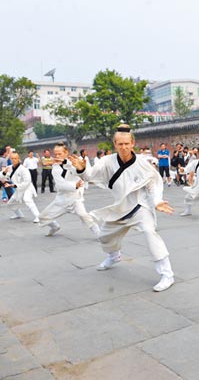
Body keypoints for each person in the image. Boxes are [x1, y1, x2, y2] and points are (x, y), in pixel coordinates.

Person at [69, 125, 176, 292]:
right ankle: (114, 255)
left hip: (140, 207)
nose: (124, 147)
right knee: (104, 237)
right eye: (120, 144)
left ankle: (167, 274)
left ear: (133, 143)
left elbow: (153, 184)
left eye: (127, 143)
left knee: (149, 232)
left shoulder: (143, 163)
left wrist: (157, 201)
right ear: (115, 144)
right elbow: (89, 176)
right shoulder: (106, 161)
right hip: (119, 209)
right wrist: (81, 169)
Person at [38, 143, 100, 237]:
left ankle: (99, 233)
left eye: (60, 154)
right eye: (56, 154)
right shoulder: (55, 167)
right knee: (42, 217)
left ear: (66, 153)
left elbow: (80, 173)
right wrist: (74, 185)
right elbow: (60, 185)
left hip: (75, 198)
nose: (57, 156)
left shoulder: (73, 162)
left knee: (83, 215)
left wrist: (81, 169)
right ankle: (55, 227)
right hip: (62, 199)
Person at [0, 152, 40, 222]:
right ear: (10, 159)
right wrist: (4, 172)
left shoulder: (23, 169)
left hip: (27, 188)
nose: (14, 160)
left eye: (15, 158)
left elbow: (27, 181)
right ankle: (19, 214)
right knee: (10, 203)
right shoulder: (9, 168)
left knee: (27, 199)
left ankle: (38, 216)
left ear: (18, 159)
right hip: (19, 189)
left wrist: (13, 185)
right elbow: (1, 177)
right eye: (12, 158)